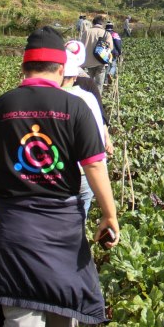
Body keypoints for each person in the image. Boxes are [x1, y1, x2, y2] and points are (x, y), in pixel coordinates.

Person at [0, 26, 119, 327]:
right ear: (61, 69)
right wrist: (109, 215)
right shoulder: (76, 108)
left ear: (23, 67)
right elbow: (94, 166)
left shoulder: (2, 106)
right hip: (64, 231)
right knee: (63, 305)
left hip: (14, 229)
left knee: (20, 309)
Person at [61, 40, 113, 215]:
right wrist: (109, 214)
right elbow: (97, 130)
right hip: (84, 171)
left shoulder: (42, 99)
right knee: (78, 219)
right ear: (75, 75)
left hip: (53, 173)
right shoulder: (88, 95)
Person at [80, 15, 112, 94]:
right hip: (101, 61)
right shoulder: (106, 33)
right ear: (102, 24)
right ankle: (97, 98)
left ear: (93, 23)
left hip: (88, 62)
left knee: (88, 83)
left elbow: (81, 46)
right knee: (99, 84)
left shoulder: (86, 32)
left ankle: (88, 98)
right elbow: (110, 48)